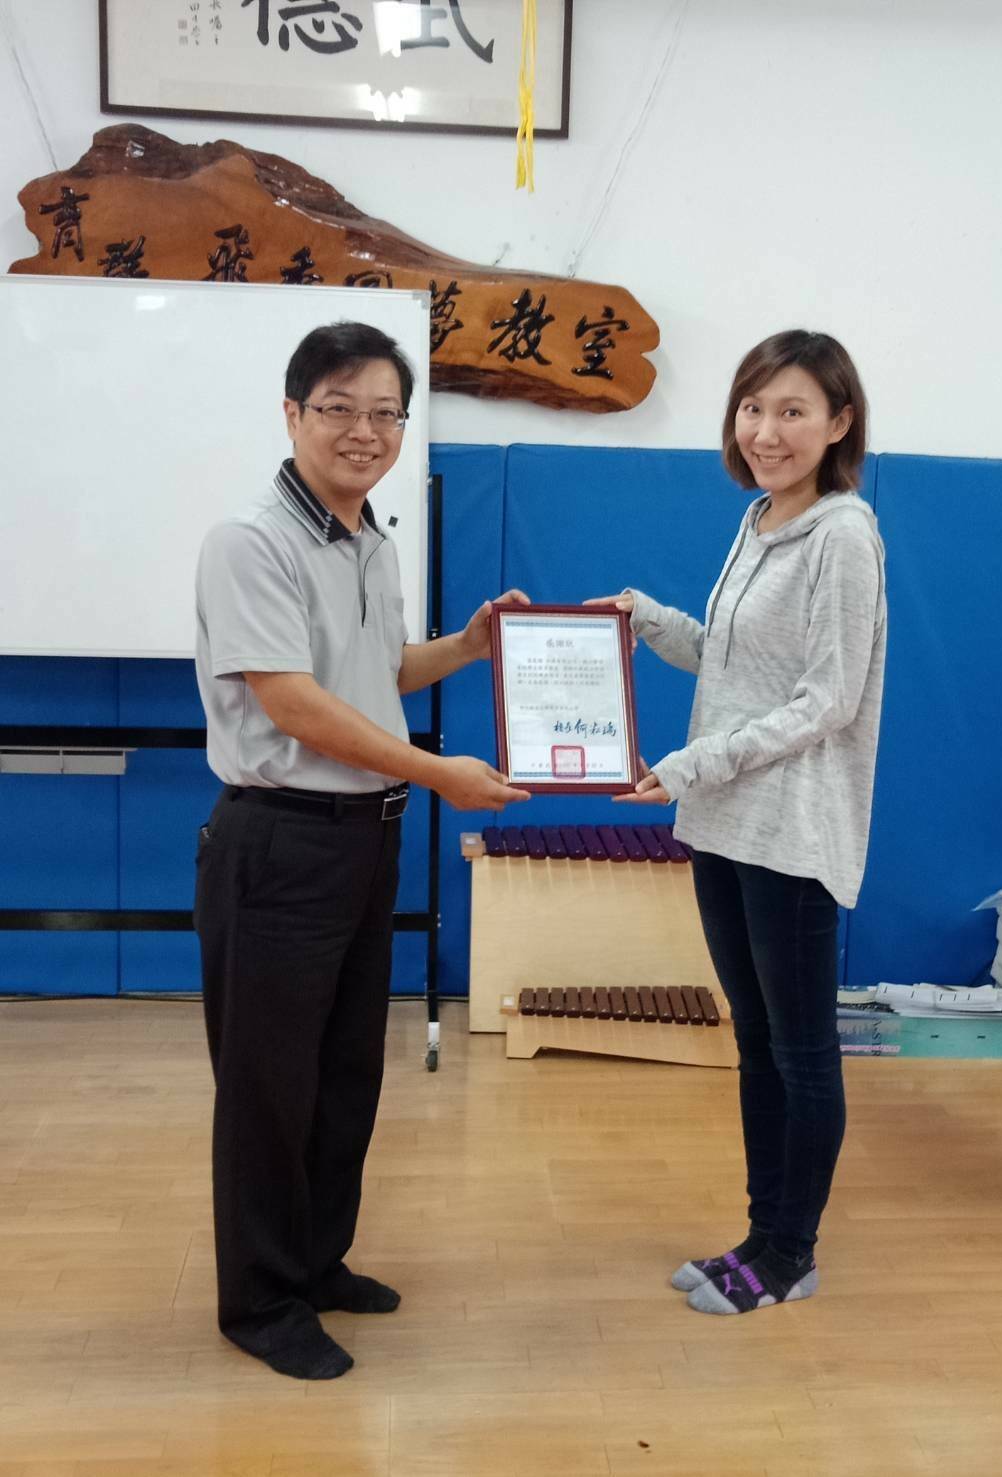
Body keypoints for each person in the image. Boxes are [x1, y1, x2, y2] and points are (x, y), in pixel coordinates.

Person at [193, 320, 528, 1379]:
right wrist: (436, 772)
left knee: (343, 1075)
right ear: (293, 413)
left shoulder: (371, 539)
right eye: (339, 408)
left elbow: (376, 674)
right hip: (281, 843)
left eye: (386, 412)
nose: (364, 431)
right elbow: (293, 704)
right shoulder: (251, 542)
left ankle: (314, 1261)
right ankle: (259, 1301)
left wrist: (467, 645)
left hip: (362, 845)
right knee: (268, 1086)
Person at [592, 329, 886, 1316]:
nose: (766, 430)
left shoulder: (844, 535)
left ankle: (790, 1253)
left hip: (790, 833)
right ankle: (762, 1236)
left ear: (838, 423)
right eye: (753, 408)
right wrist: (645, 618)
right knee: (756, 1041)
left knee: (800, 1050)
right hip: (723, 824)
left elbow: (827, 700)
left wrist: (689, 765)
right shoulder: (760, 518)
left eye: (793, 410)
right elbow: (731, 661)